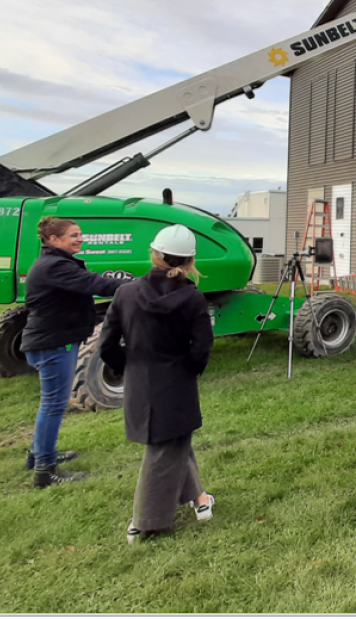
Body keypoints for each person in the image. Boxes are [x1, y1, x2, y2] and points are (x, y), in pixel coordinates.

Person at [99, 224, 215, 543]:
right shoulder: (192, 298)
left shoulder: (125, 293)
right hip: (176, 383)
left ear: (155, 254)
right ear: (189, 262)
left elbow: (107, 345)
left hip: (140, 383)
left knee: (175, 442)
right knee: (163, 452)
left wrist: (131, 368)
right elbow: (202, 346)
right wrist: (188, 370)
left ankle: (200, 498)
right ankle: (146, 520)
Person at [20, 216, 131, 488]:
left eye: (80, 234)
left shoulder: (54, 263)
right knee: (53, 405)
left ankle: (38, 454)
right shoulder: (55, 266)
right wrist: (140, 286)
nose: (80, 238)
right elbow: (97, 285)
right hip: (54, 344)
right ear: (54, 240)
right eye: (73, 235)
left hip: (50, 341)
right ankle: (46, 471)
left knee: (51, 403)